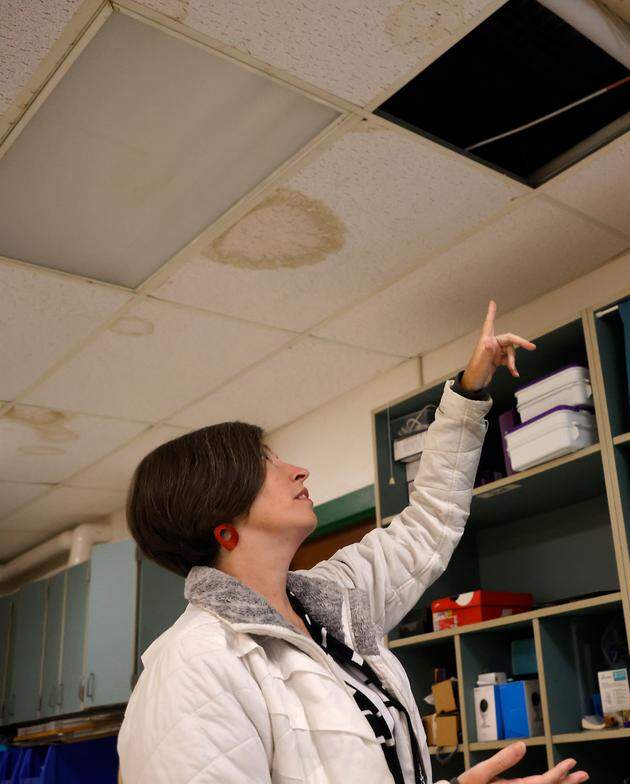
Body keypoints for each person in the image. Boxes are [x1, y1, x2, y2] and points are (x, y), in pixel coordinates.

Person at [118, 301, 589, 784]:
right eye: (265, 463)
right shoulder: (193, 667)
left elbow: (429, 522)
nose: (298, 469)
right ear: (223, 529)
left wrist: (468, 394)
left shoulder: (329, 604)